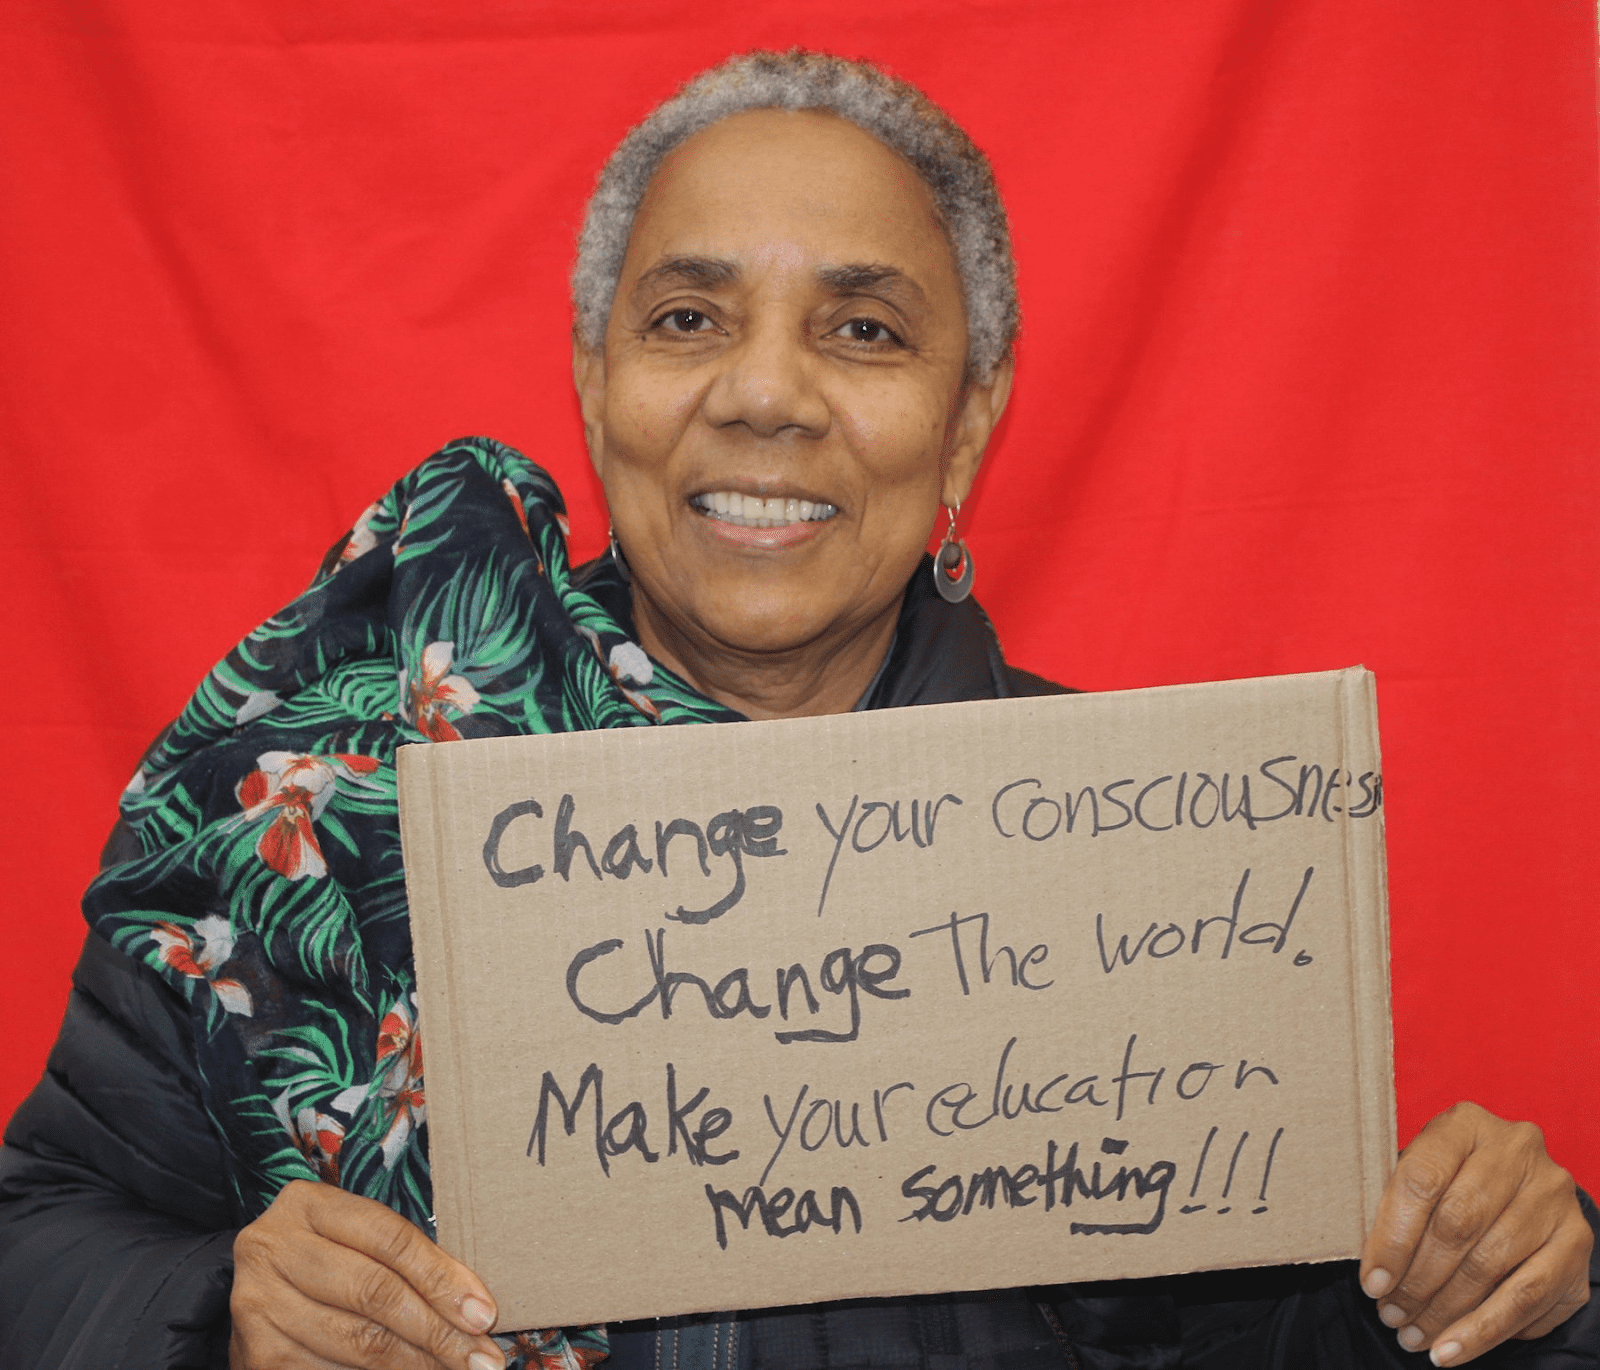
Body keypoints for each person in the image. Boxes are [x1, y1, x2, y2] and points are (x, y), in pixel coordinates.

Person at [0, 49, 1594, 1370]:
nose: (766, 393)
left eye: (864, 329)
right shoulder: (330, 780)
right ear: (597, 380)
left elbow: (1310, 1320)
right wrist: (222, 1312)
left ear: (967, 425)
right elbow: (40, 1236)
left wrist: (1511, 1276)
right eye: (688, 319)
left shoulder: (1153, 870)